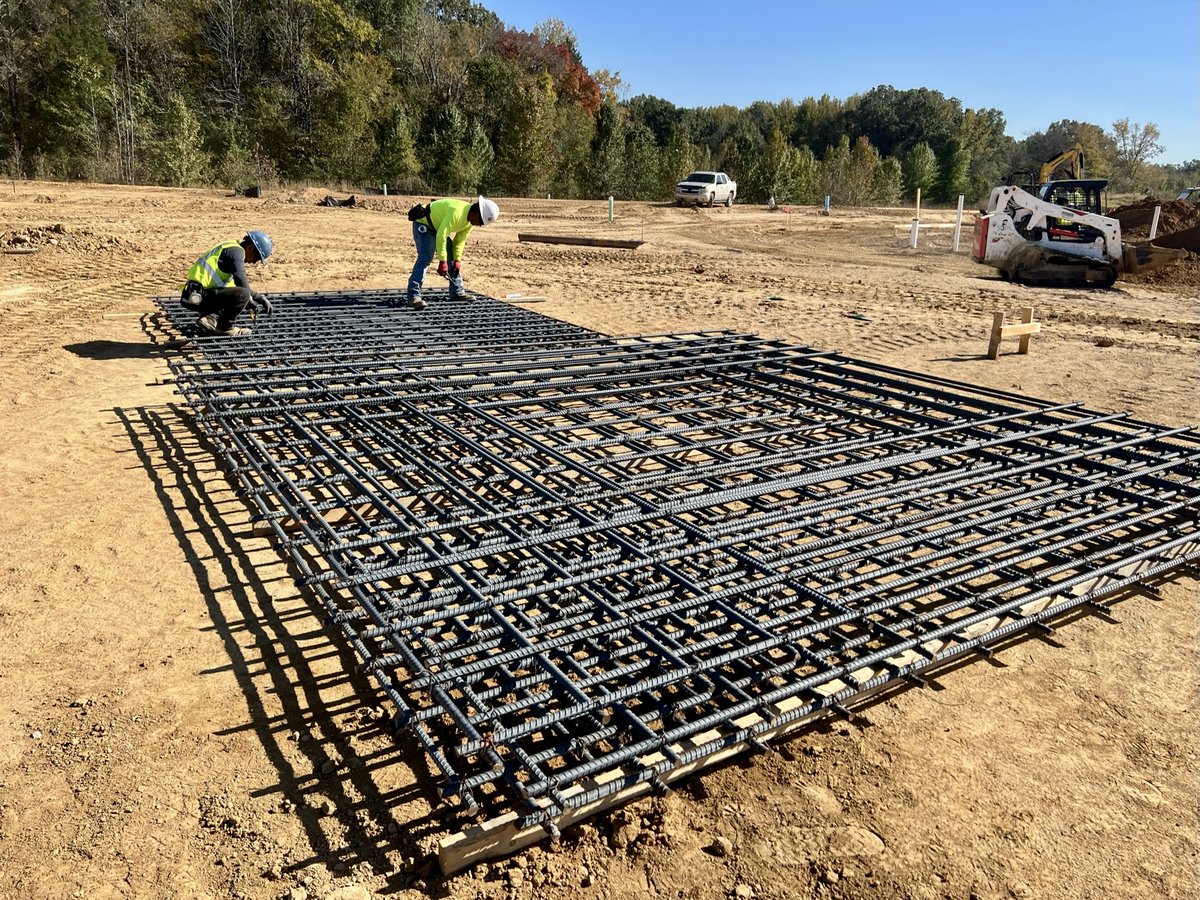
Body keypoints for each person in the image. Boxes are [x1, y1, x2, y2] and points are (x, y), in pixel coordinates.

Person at [407, 195, 500, 308]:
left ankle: (457, 291)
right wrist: (442, 261)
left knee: (451, 254)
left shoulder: (470, 222)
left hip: (438, 227)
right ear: (476, 213)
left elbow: (459, 241)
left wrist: (457, 260)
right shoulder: (456, 212)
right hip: (424, 223)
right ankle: (414, 296)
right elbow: (441, 234)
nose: (480, 225)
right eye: (481, 222)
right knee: (426, 256)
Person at [181, 230, 274, 336]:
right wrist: (251, 298)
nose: (253, 262)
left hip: (195, 294)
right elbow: (241, 281)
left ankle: (210, 318)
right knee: (243, 295)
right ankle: (224, 327)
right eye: (256, 258)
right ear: (250, 248)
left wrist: (260, 299)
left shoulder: (231, 248)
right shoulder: (236, 252)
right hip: (198, 297)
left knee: (240, 293)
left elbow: (234, 287)